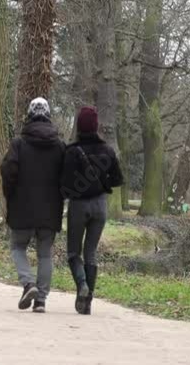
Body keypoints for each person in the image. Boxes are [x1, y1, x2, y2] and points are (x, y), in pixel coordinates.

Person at [0, 97, 65, 313]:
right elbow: (66, 176)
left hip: (22, 208)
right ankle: (41, 301)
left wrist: (10, 194)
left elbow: (8, 170)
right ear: (49, 115)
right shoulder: (59, 146)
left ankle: (28, 284)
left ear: (29, 115)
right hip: (50, 210)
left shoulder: (19, 144)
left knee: (17, 247)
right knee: (45, 254)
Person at [61, 106, 124, 315]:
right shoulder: (107, 150)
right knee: (91, 252)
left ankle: (82, 285)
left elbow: (64, 183)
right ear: (96, 126)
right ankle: (87, 304)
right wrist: (102, 182)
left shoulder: (71, 151)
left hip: (79, 206)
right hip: (100, 205)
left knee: (73, 252)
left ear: (79, 126)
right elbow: (118, 179)